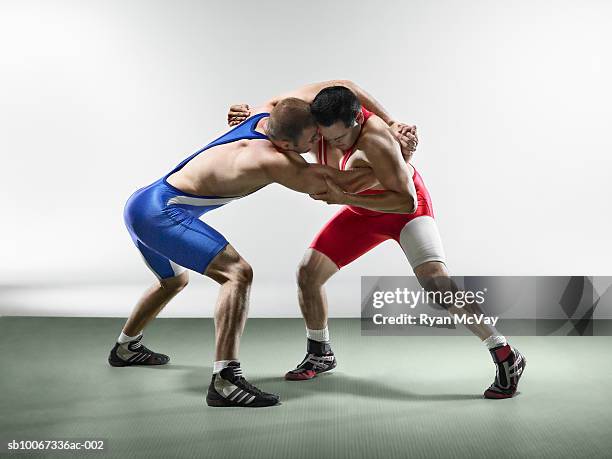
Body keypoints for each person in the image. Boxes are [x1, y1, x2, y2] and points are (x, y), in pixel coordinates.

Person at [228, 81, 526, 399]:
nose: (332, 144)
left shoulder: (377, 141)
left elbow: (406, 202)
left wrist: (344, 194)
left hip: (402, 211)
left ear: (357, 120)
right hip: (361, 212)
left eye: (340, 138)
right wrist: (248, 114)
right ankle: (320, 352)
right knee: (308, 274)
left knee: (438, 286)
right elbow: (311, 95)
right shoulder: (319, 115)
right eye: (326, 137)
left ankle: (506, 354)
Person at [111, 97, 377, 408]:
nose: (318, 139)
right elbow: (338, 186)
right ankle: (225, 380)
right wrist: (398, 157)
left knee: (173, 282)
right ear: (284, 143)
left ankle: (125, 348)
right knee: (237, 274)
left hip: (142, 202)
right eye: (311, 137)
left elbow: (296, 98)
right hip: (159, 214)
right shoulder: (274, 160)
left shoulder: (261, 118)